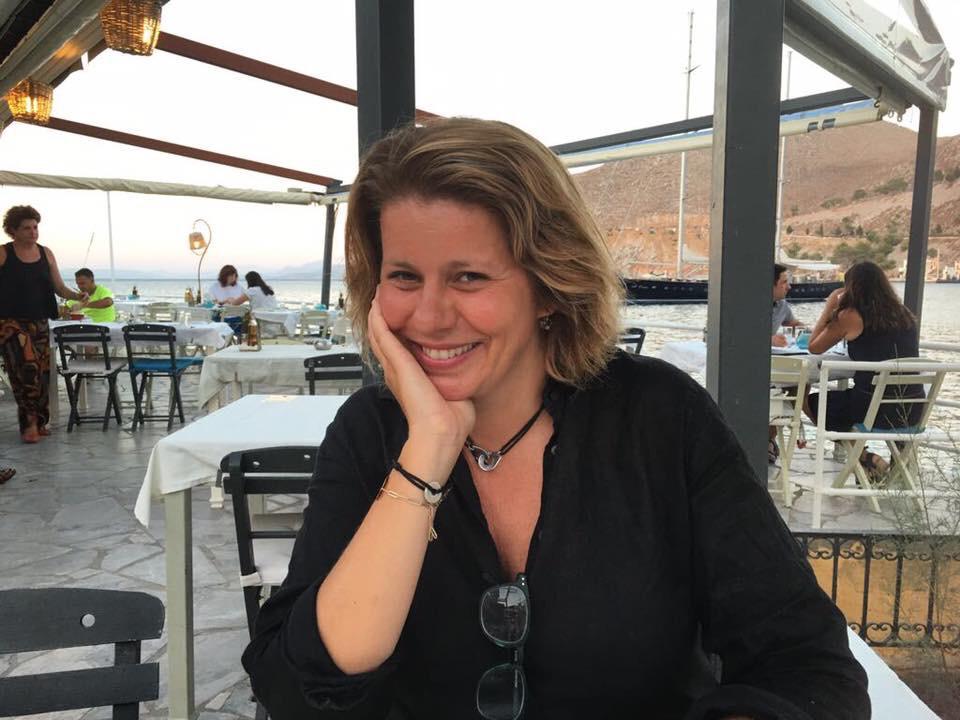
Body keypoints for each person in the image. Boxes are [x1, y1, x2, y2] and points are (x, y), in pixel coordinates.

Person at [242, 119, 869, 719]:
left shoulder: (660, 418)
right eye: (404, 277)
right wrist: (427, 451)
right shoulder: (370, 434)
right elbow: (299, 694)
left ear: (548, 286)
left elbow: (807, 665)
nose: (429, 317)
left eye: (468, 277)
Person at [804, 260, 923, 477]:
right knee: (845, 401)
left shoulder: (850, 315)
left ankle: (865, 457)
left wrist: (830, 307)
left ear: (851, 287)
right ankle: (871, 466)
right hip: (911, 408)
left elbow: (814, 347)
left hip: (873, 409)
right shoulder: (904, 314)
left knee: (809, 401)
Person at [0, 205, 87, 443]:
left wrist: (76, 296)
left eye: (35, 227)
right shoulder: (4, 253)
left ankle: (39, 420)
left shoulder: (46, 253)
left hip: (39, 320)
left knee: (41, 372)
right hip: (9, 322)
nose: (33, 232)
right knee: (26, 369)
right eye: (26, 228)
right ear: (13, 230)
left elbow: (58, 287)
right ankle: (29, 425)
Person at [771, 263, 803, 348]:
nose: (789, 287)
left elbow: (792, 323)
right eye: (784, 282)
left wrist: (812, 332)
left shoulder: (782, 304)